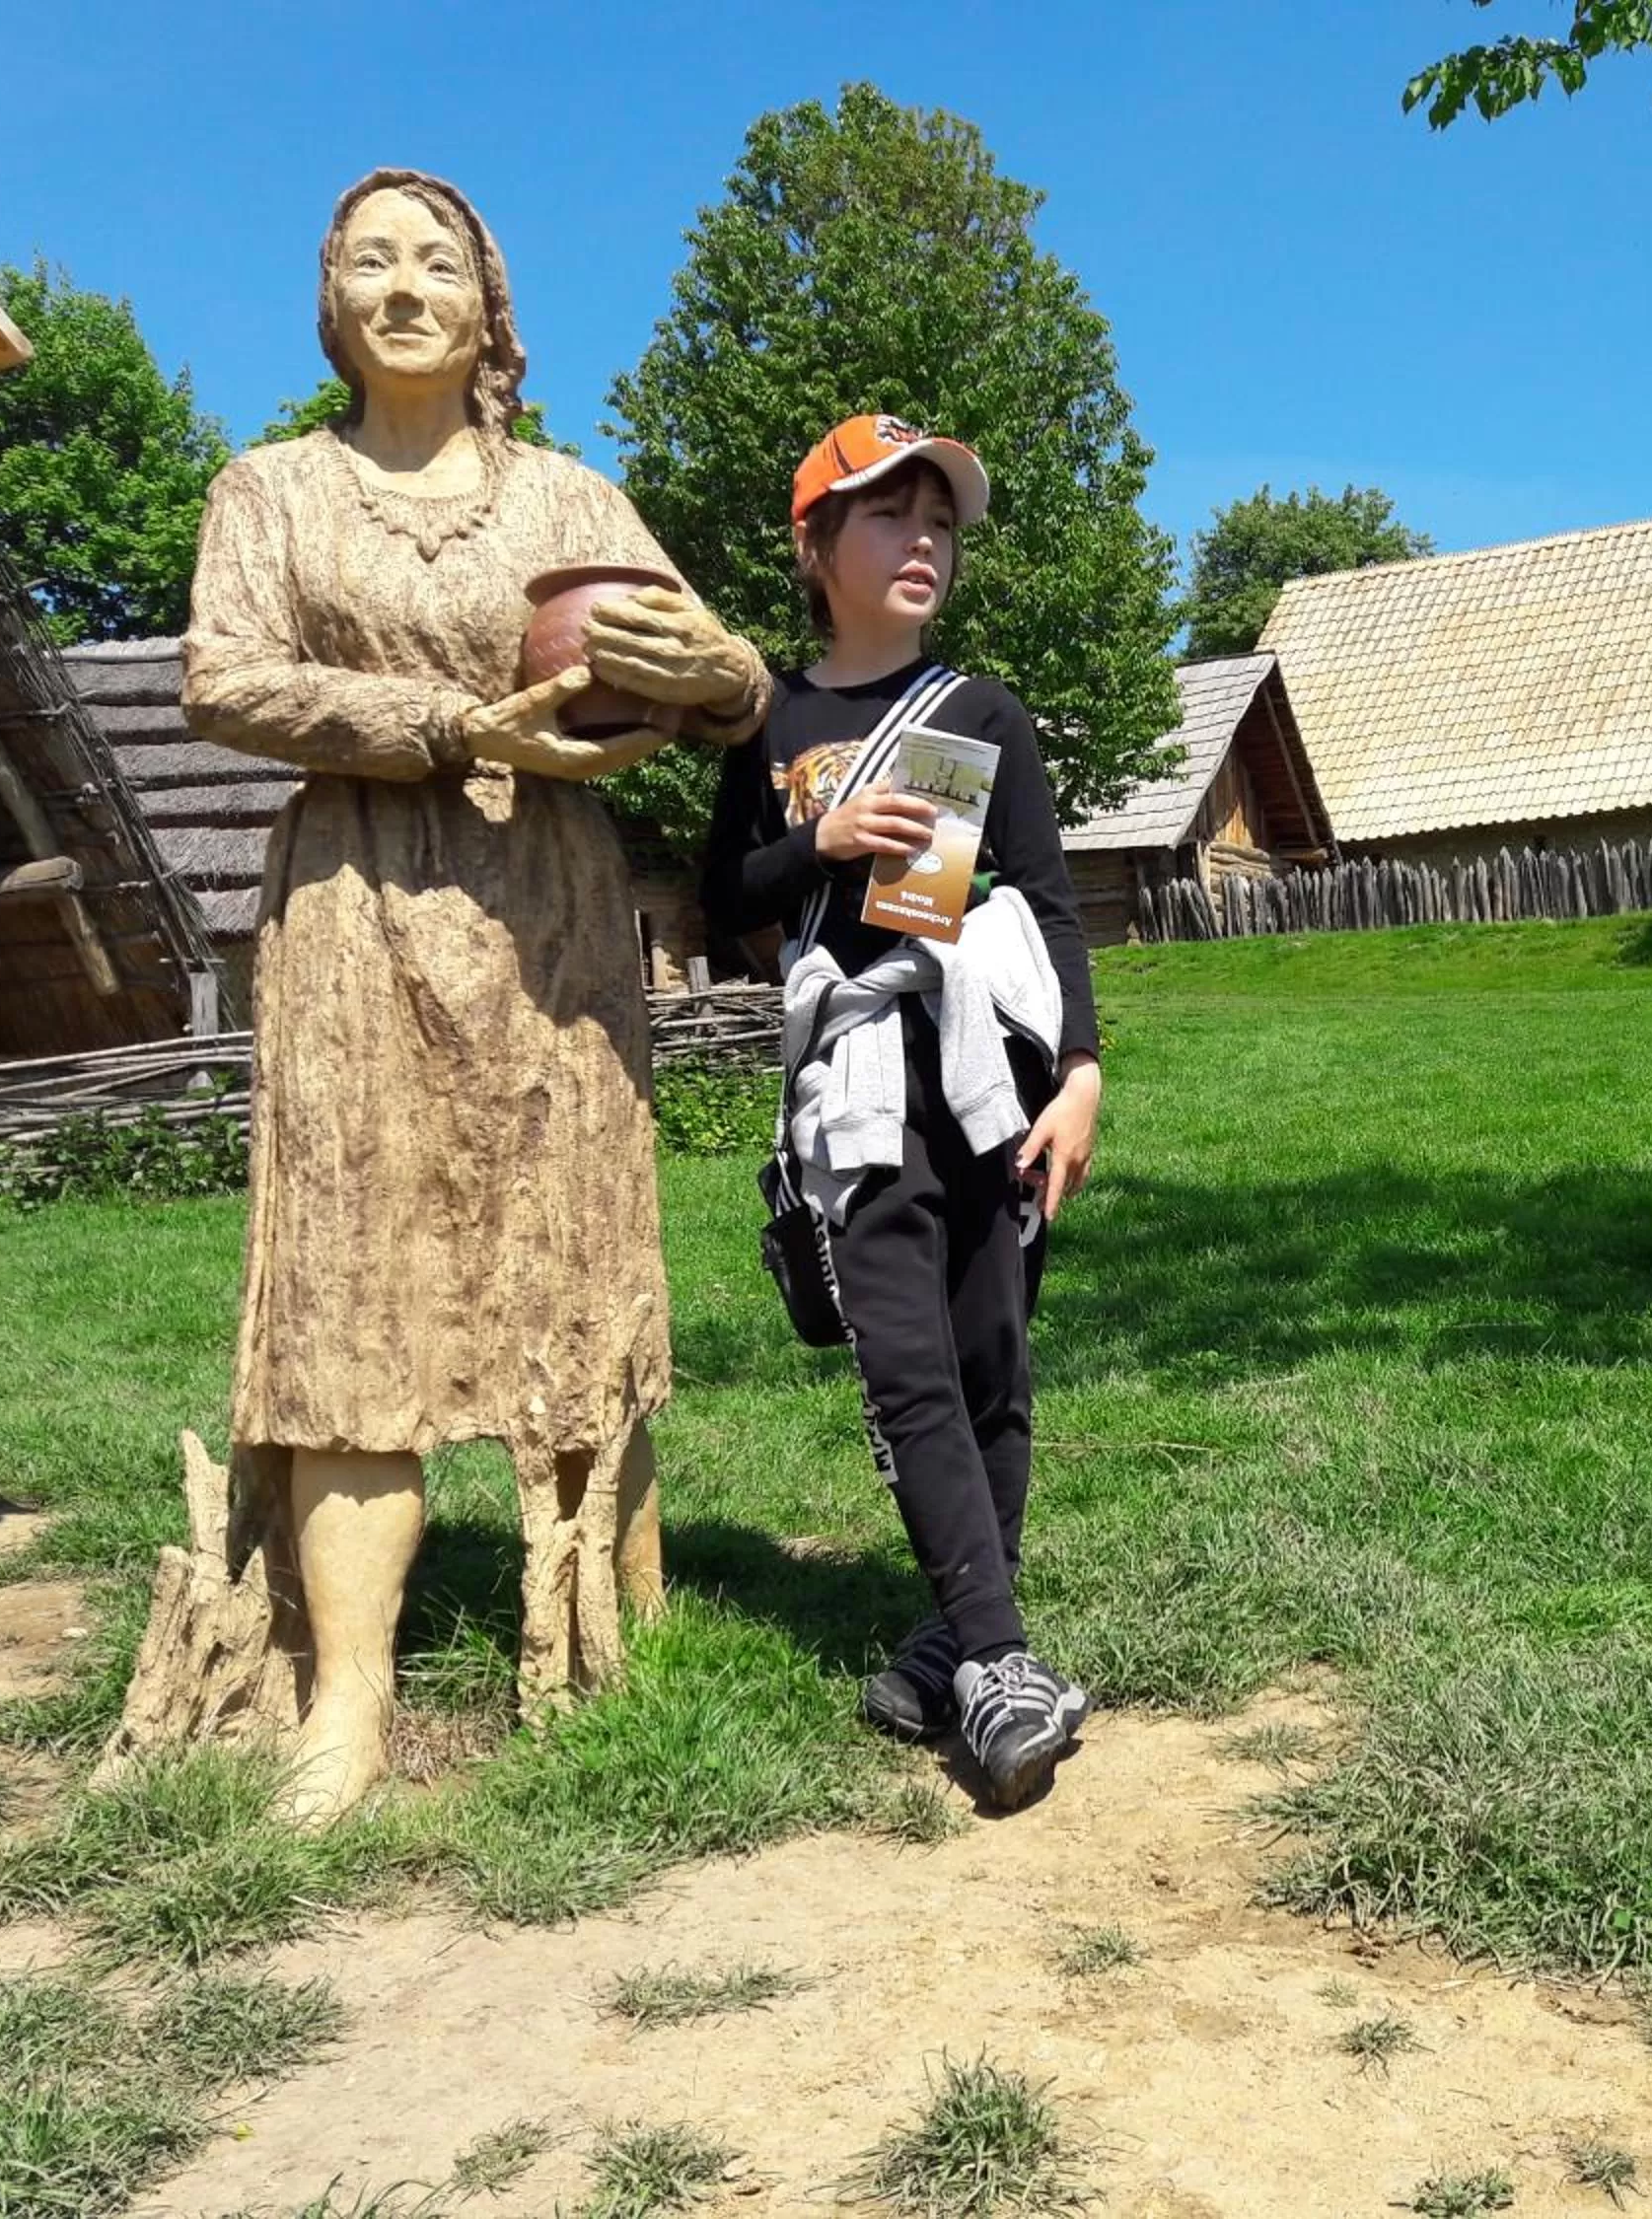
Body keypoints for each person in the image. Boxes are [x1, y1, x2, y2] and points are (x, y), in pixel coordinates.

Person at [182, 170, 768, 1824]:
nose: (404, 284)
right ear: (329, 300)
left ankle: (604, 1639)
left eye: (436, 258)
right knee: (350, 1287)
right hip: (360, 913)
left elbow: (725, 677)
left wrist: (713, 676)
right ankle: (348, 1702)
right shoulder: (272, 489)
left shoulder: (569, 499)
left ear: (488, 299)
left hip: (552, 923)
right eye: (368, 258)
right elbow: (220, 679)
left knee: (577, 1259)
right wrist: (449, 729)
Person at [698, 414, 1105, 1811]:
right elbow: (718, 899)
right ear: (815, 547)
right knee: (906, 1365)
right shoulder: (772, 722)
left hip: (985, 1075)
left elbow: (1047, 904)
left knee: (993, 1359)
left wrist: (1085, 1076)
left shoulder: (979, 712)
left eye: (940, 520)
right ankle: (997, 1653)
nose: (924, 540)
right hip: (853, 1090)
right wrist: (816, 841)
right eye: (889, 516)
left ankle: (948, 1636)